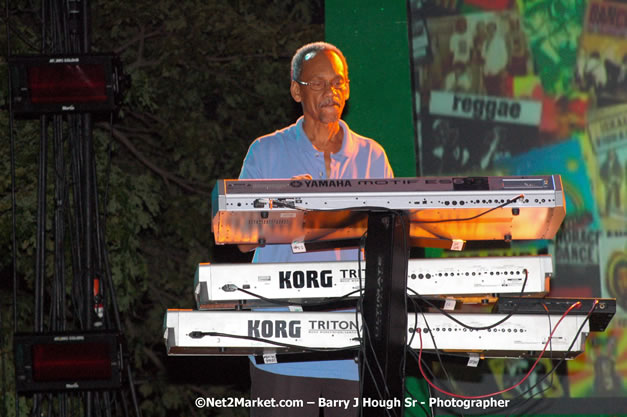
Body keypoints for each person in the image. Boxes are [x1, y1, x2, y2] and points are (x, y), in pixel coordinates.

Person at [238, 41, 393, 417]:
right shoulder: (266, 151)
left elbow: (390, 242)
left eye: (338, 82)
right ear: (296, 90)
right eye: (319, 83)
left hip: (353, 347)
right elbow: (241, 238)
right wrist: (290, 205)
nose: (332, 92)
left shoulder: (372, 156)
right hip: (282, 346)